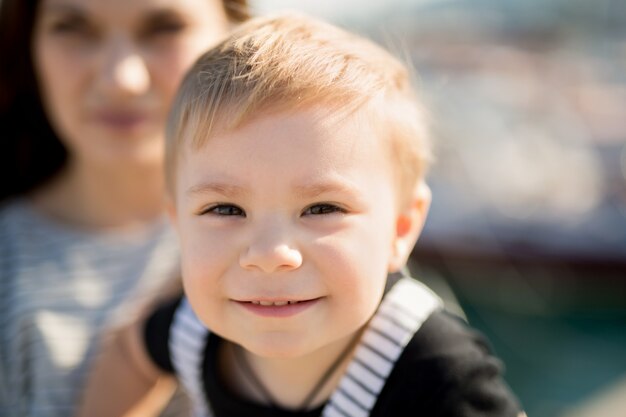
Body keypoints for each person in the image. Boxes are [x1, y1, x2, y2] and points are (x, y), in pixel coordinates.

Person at [77, 12, 526, 417]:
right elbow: (129, 355)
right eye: (225, 209)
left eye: (321, 208)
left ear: (400, 229)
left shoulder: (436, 374)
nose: (270, 254)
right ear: (178, 223)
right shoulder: (192, 331)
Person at [0, 0, 249, 416]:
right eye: (74, 28)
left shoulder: (322, 239)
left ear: (235, 33)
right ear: (28, 41)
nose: (122, 80)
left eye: (164, 28)